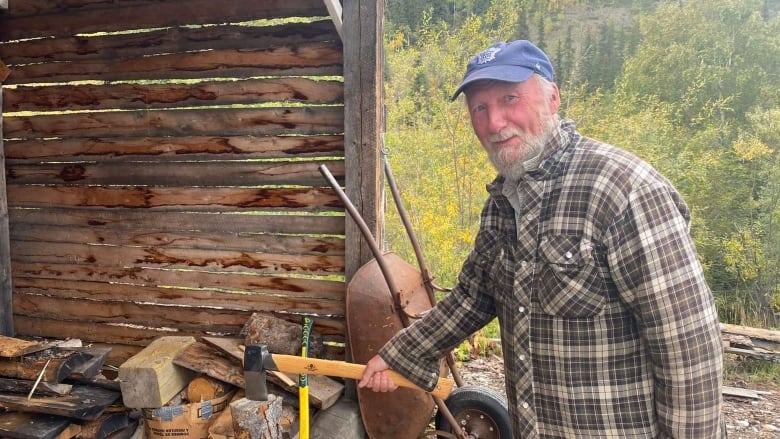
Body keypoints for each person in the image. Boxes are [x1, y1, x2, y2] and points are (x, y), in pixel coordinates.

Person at [358, 39, 726, 438]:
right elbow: (473, 297)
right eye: (480, 108)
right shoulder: (503, 200)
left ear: (552, 98)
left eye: (509, 98)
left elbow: (688, 349)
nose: (495, 122)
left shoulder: (623, 190)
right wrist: (400, 354)